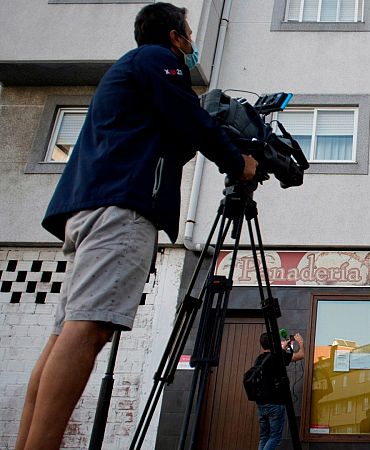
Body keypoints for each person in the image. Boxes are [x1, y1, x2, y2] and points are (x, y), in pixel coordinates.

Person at [15, 3, 258, 449]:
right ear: (174, 36)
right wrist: (237, 160)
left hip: (93, 204)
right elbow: (191, 119)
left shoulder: (131, 73)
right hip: (122, 208)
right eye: (187, 33)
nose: (190, 43)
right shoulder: (156, 60)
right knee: (88, 330)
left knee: (66, 332)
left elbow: (170, 136)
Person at [255, 332, 304, 450]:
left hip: (261, 403)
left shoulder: (259, 359)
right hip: (275, 403)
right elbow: (300, 355)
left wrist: (284, 347)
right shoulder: (278, 357)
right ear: (274, 343)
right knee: (275, 437)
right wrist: (301, 344)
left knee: (264, 437)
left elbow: (278, 357)